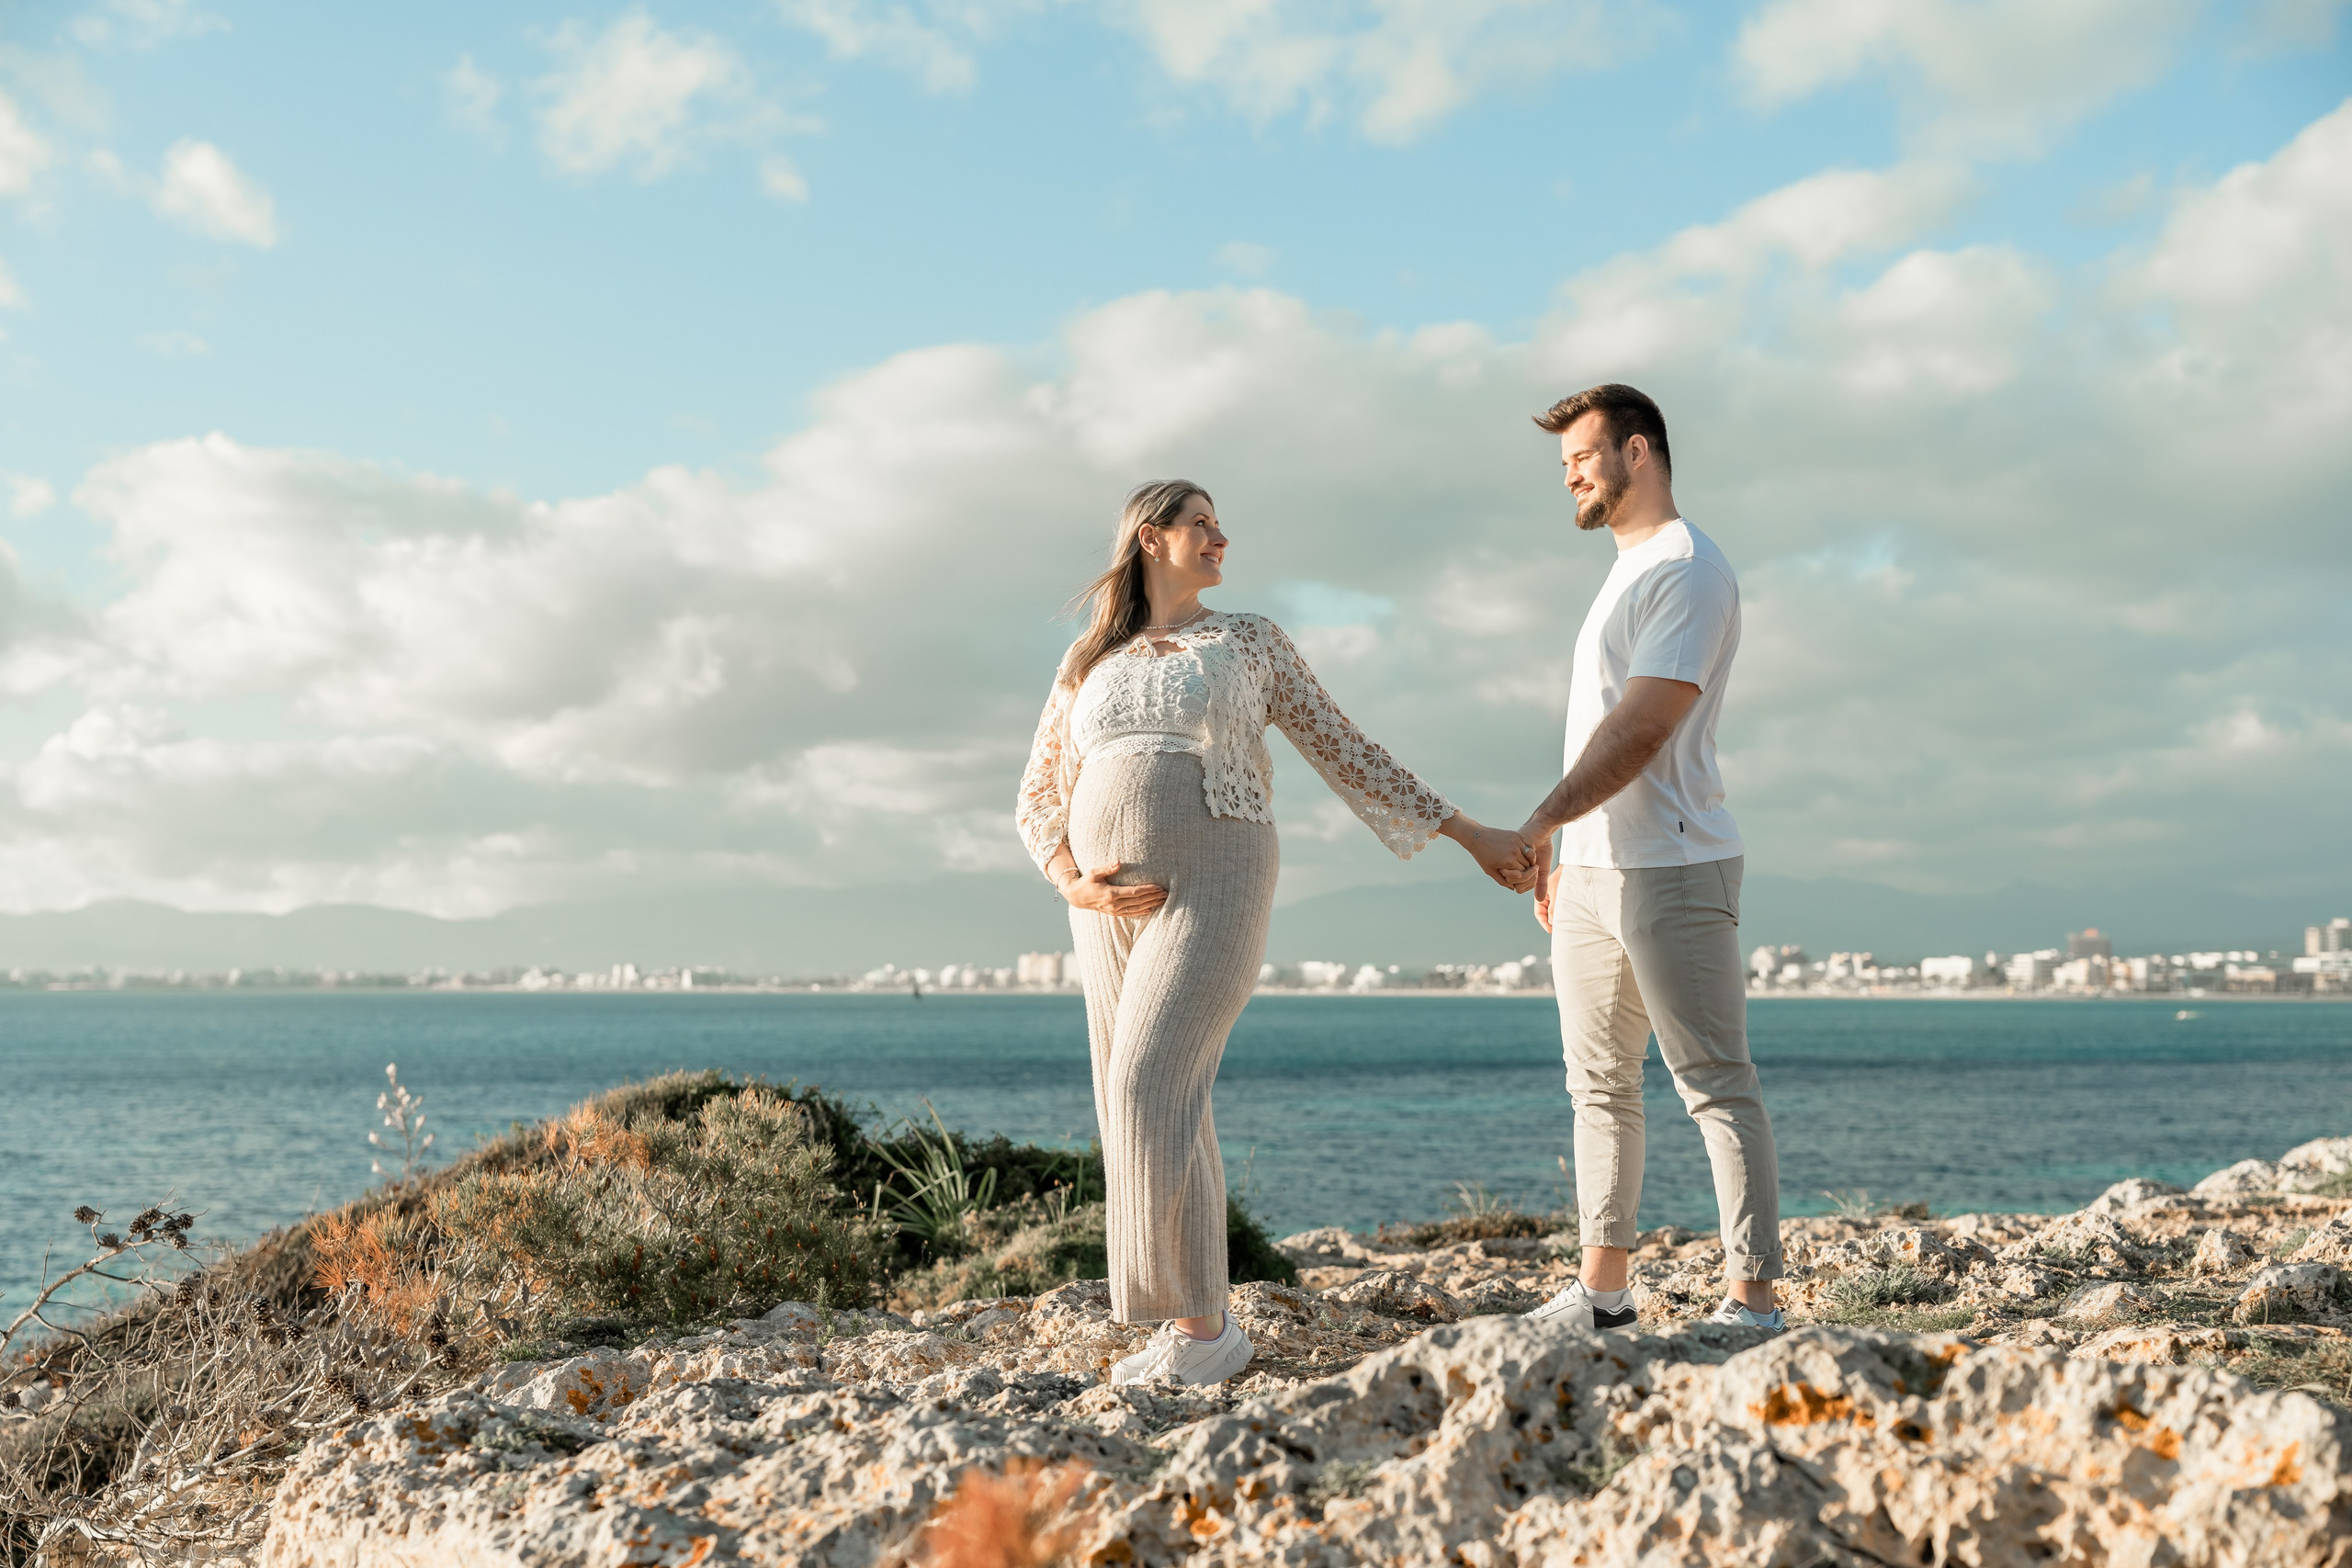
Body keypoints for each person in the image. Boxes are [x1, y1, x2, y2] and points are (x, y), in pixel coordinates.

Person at [1017, 480, 1538, 1385]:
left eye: (1220, 524)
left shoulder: (1247, 640)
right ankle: (1200, 1324)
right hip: (1101, 906)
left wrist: (1465, 831)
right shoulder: (1087, 657)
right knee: (1149, 1095)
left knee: (1148, 1082)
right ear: (1150, 537)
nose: (1222, 537)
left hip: (1218, 872)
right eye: (1201, 524)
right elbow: (1036, 795)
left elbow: (1345, 746)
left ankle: (1199, 1331)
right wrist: (1072, 882)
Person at [1515, 386, 1786, 1335]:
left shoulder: (1688, 569)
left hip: (1672, 864)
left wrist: (1539, 821)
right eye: (1562, 467)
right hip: (1590, 873)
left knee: (1713, 1083)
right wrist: (1565, 852)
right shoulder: (1626, 571)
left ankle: (1751, 1303)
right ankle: (1602, 1294)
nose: (1570, 477)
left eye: (1582, 457)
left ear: (1639, 452)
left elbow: (1642, 728)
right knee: (1597, 1086)